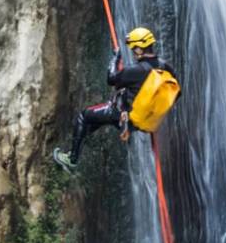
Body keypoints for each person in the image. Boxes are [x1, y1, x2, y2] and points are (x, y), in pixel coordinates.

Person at [52, 27, 176, 173]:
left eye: (133, 48)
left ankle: (72, 160)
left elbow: (111, 79)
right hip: (145, 120)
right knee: (94, 121)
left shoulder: (135, 70)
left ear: (139, 49)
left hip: (121, 115)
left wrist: (115, 58)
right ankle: (80, 140)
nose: (133, 52)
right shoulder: (165, 66)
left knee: (84, 117)